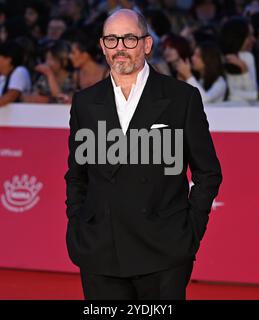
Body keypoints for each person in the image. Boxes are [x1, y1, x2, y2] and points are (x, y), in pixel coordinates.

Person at [64, 9, 222, 300]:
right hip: (100, 253)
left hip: (163, 253)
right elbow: (77, 175)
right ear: (102, 45)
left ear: (147, 45)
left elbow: (208, 172)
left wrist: (190, 232)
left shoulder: (182, 98)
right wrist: (78, 225)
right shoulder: (84, 103)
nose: (120, 48)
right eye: (111, 39)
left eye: (129, 38)